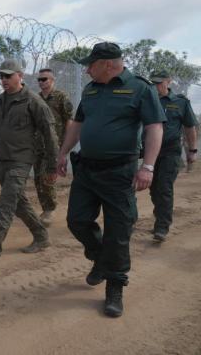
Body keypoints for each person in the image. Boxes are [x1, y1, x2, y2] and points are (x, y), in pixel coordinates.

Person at [57, 42, 165, 318]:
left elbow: (154, 127)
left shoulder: (140, 88)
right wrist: (63, 152)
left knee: (118, 232)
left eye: (90, 64)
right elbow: (78, 124)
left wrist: (148, 167)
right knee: (77, 220)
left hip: (120, 172)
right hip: (87, 169)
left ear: (107, 64)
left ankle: (115, 287)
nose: (86, 69)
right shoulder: (91, 89)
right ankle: (100, 258)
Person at [0, 59, 59, 274]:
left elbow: (50, 136)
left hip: (21, 161)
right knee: (19, 203)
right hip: (2, 160)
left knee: (4, 206)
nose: (3, 80)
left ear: (20, 76)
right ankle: (41, 236)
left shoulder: (33, 102)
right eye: (1, 76)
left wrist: (52, 167)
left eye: (8, 76)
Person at [147, 70, 198, 242]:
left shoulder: (181, 102)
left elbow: (190, 128)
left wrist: (192, 151)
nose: (156, 86)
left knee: (164, 187)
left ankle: (162, 226)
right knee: (153, 188)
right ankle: (160, 215)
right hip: (149, 152)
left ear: (168, 82)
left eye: (159, 82)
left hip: (170, 151)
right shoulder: (146, 100)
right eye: (153, 83)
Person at [34, 68, 74, 226]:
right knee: (38, 178)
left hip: (54, 145)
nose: (41, 82)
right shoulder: (36, 99)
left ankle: (49, 210)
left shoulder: (61, 97)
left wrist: (65, 144)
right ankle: (45, 208)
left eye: (44, 79)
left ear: (52, 80)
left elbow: (69, 120)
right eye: (39, 79)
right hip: (37, 145)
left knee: (48, 177)